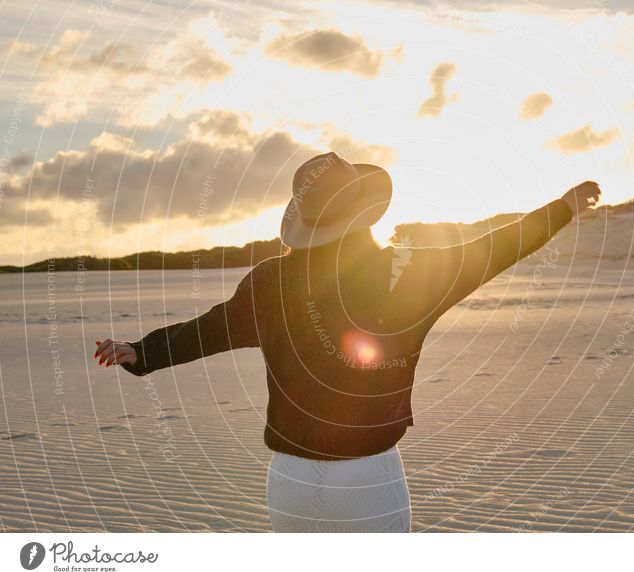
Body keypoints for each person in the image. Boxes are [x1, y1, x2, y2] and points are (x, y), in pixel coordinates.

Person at [94, 152, 600, 532]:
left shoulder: (273, 282)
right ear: (366, 211)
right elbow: (500, 246)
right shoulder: (412, 272)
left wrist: (143, 351)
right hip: (369, 479)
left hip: (290, 479)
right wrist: (564, 208)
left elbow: (209, 329)